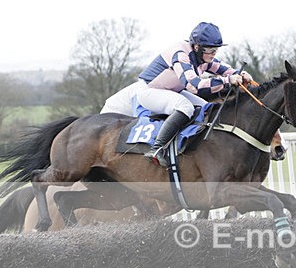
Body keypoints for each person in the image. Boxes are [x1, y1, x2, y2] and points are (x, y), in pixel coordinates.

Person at [101, 21, 254, 165]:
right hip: (149, 92)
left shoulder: (203, 56)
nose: (214, 53)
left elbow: (221, 68)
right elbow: (195, 85)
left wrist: (240, 73)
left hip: (168, 91)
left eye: (216, 49)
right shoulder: (181, 54)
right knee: (185, 107)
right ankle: (157, 149)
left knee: (206, 107)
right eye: (211, 50)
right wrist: (227, 80)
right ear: (197, 47)